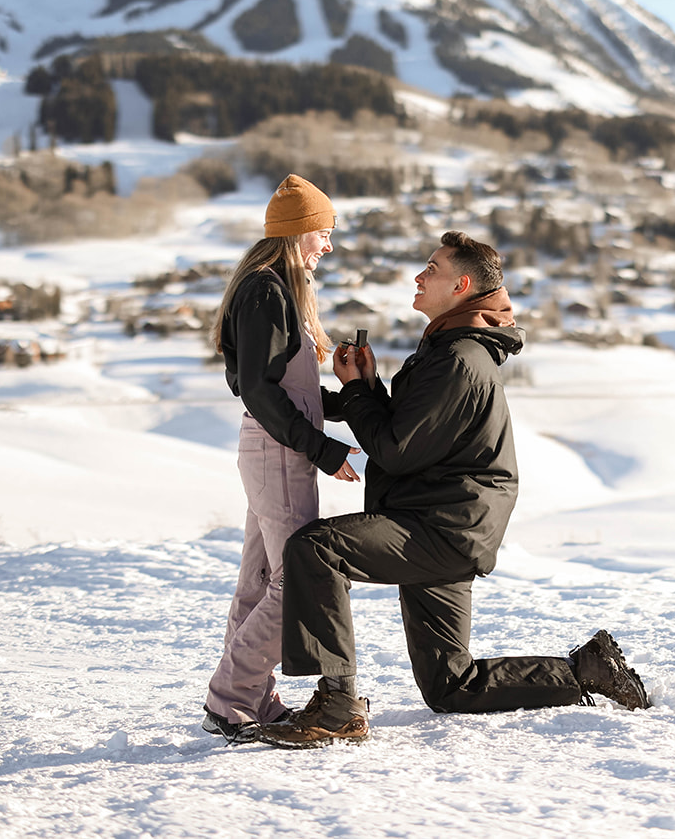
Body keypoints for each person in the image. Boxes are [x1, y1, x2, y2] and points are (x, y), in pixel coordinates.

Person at [256, 231, 649, 749]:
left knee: (316, 549)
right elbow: (410, 431)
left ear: (461, 285)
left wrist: (356, 393)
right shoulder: (450, 351)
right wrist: (364, 389)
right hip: (447, 523)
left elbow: (395, 448)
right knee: (451, 686)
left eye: (431, 268)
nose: (419, 276)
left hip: (439, 526)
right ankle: (585, 672)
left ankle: (336, 706)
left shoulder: (459, 359)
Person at [200, 174, 362, 744]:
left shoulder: (272, 290)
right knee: (296, 579)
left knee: (262, 578)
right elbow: (261, 391)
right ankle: (229, 697)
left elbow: (285, 391)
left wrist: (356, 397)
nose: (328, 246)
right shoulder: (267, 291)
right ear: (298, 233)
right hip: (278, 449)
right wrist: (320, 447)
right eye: (323, 234)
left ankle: (249, 697)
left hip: (273, 446)